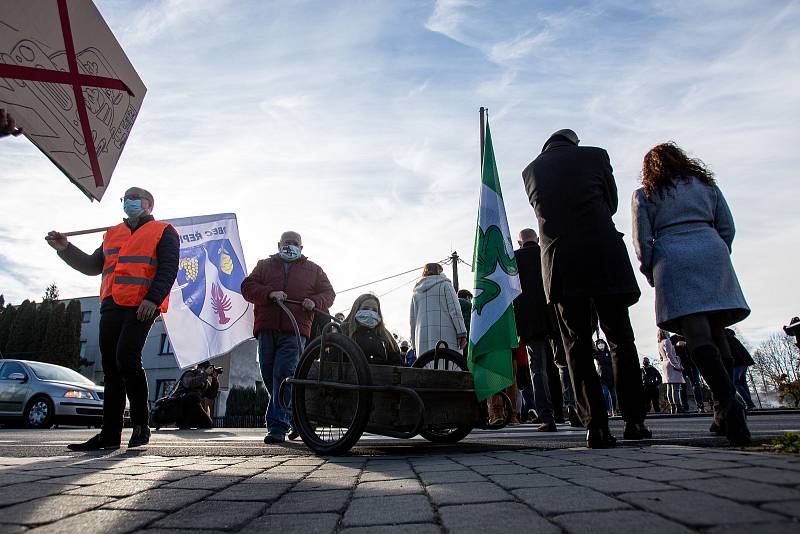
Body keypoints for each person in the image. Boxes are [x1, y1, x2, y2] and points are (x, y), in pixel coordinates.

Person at [522, 129, 650, 448]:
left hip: (562, 262)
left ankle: (595, 425)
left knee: (576, 344)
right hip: (602, 253)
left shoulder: (532, 170)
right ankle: (634, 421)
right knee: (620, 339)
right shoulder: (595, 156)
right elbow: (611, 203)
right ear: (574, 142)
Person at [632, 142, 751, 444]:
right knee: (718, 331)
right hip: (711, 249)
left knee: (696, 334)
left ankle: (728, 402)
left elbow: (642, 238)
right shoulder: (706, 185)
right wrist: (718, 250)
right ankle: (724, 409)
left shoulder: (646, 194)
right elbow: (728, 226)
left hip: (673, 256)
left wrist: (649, 267)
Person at [46, 187, 179, 450]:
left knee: (127, 359)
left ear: (148, 204)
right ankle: (109, 434)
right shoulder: (112, 233)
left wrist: (152, 299)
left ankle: (141, 425)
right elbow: (92, 266)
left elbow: (168, 268)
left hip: (141, 304)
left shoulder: (163, 231)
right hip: (111, 304)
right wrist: (65, 249)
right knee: (111, 368)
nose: (128, 202)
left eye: (134, 198)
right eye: (125, 198)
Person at [241, 231, 335, 444]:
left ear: (301, 248)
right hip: (267, 328)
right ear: (279, 244)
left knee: (283, 373)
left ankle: (277, 426)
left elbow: (329, 294)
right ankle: (293, 416)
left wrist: (315, 301)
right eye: (286, 242)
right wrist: (269, 293)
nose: (290, 246)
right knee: (268, 373)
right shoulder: (264, 265)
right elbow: (247, 287)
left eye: (295, 243)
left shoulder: (314, 270)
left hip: (296, 330)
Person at [513, 228, 557, 432]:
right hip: (554, 312)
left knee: (537, 368)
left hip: (529, 319)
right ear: (537, 239)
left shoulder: (514, 258)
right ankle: (572, 408)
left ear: (519, 242)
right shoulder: (548, 249)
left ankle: (547, 417)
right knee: (564, 364)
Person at [409, 263, 467, 355]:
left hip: (422, 338)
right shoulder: (445, 285)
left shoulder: (416, 293)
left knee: (427, 364)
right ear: (439, 271)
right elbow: (455, 310)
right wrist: (462, 333)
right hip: (446, 336)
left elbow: (413, 321)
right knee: (448, 364)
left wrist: (414, 344)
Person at [342, 294, 403, 366]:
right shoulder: (344, 331)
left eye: (374, 310)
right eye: (365, 308)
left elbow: (397, 362)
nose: (370, 313)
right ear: (356, 309)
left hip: (382, 376)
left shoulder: (385, 335)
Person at [172, 362, 221, 429]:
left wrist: (214, 379)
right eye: (207, 369)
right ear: (199, 368)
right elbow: (190, 383)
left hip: (194, 407)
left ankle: (191, 423)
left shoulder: (205, 382)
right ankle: (183, 422)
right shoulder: (189, 374)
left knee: (207, 424)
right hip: (180, 405)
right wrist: (205, 374)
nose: (209, 371)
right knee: (193, 396)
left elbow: (211, 395)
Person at [726, 329, 757, 410]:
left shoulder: (726, 340)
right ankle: (750, 403)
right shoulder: (733, 339)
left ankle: (749, 403)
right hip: (744, 362)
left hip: (737, 363)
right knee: (743, 383)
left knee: (736, 382)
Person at [659, 330, 685, 414]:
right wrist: (677, 365)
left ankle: (672, 407)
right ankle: (678, 407)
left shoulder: (660, 343)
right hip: (671, 364)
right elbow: (670, 354)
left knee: (669, 387)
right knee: (676, 388)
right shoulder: (667, 341)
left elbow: (662, 356)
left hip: (664, 364)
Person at [593, 338, 618, 417]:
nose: (600, 345)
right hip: (602, 377)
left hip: (611, 376)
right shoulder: (597, 354)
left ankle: (614, 409)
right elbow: (592, 352)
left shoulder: (609, 353)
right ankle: (608, 410)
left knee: (613, 395)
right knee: (605, 394)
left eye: (602, 343)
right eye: (599, 343)